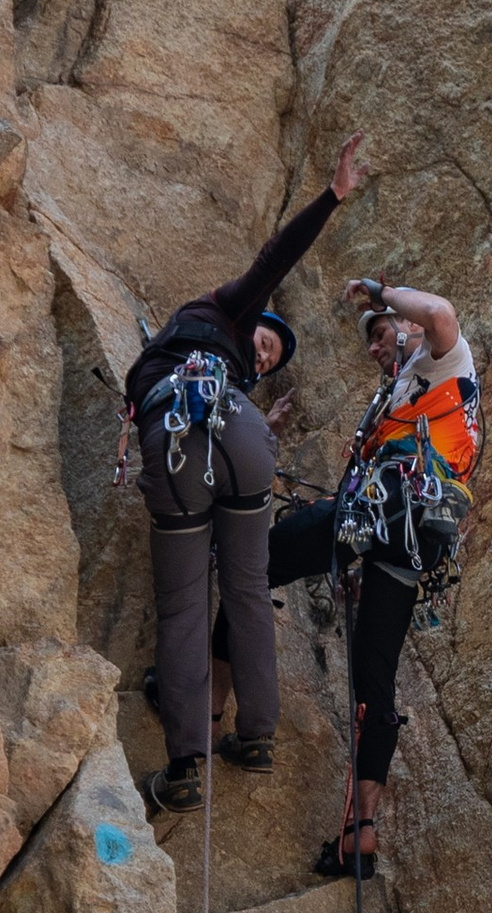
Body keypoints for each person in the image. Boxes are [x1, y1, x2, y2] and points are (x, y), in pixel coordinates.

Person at [127, 130, 370, 816]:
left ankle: (182, 765)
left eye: (267, 362)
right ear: (246, 316)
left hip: (179, 439)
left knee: (184, 605)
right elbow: (273, 259)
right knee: (247, 589)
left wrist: (267, 424)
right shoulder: (226, 306)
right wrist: (332, 195)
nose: (262, 359)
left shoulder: (182, 349)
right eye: (265, 345)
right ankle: (256, 734)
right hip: (231, 437)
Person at [267, 269, 482, 879]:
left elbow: (440, 311)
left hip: (393, 508)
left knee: (271, 552)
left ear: (408, 330)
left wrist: (380, 291)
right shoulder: (404, 396)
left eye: (382, 332)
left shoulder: (443, 361)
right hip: (411, 538)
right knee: (373, 676)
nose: (375, 344)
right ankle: (360, 831)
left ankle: (216, 685)